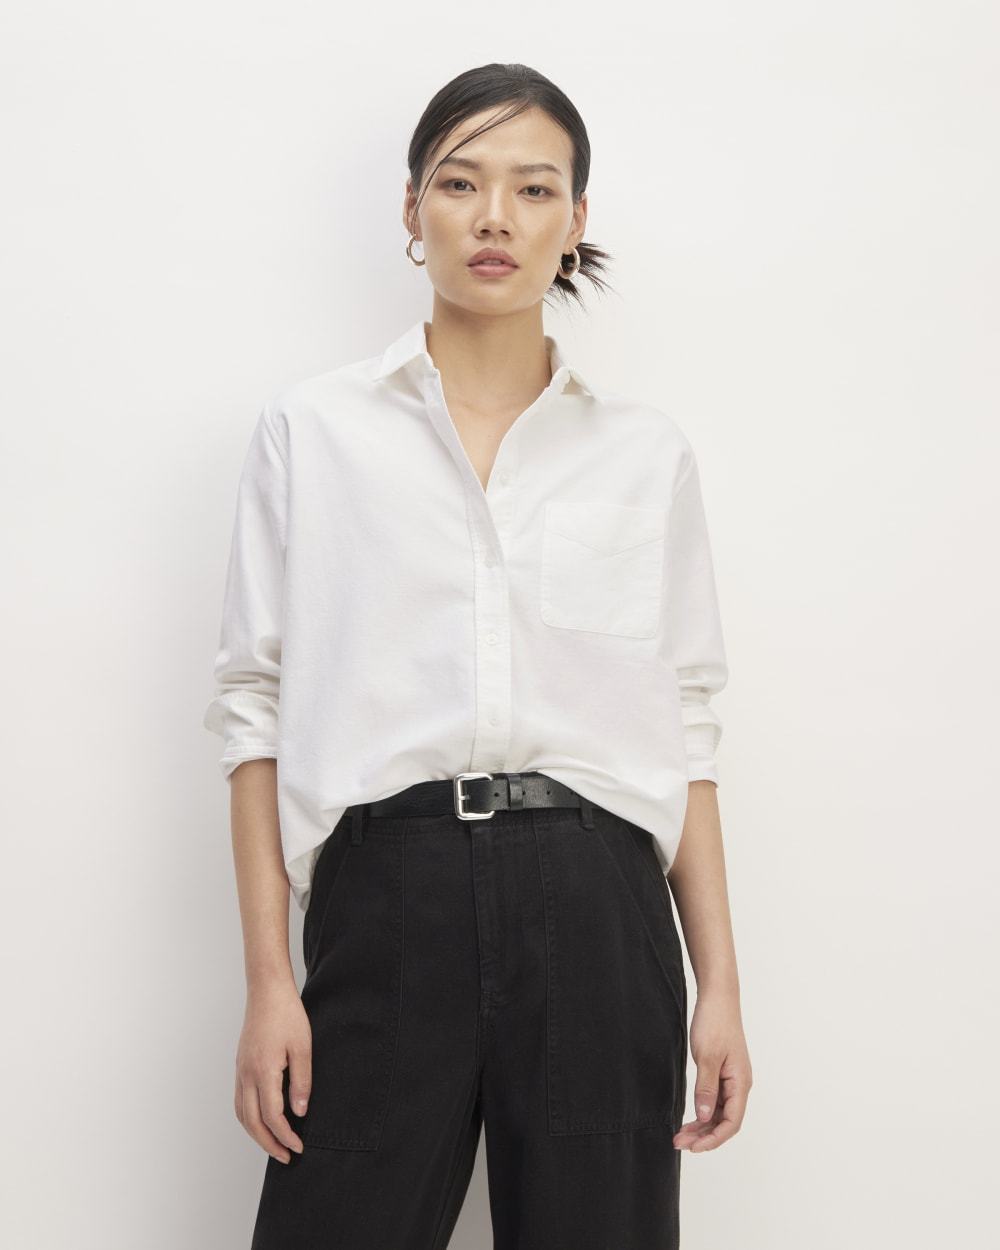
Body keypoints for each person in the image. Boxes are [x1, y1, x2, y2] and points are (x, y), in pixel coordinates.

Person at [204, 61, 752, 1250]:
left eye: (533, 188)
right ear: (413, 210)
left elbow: (684, 721)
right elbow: (254, 706)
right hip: (385, 893)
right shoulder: (313, 432)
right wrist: (269, 979)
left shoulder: (643, 454)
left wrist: (720, 986)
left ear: (574, 218)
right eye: (459, 183)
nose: (494, 216)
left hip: (599, 902)